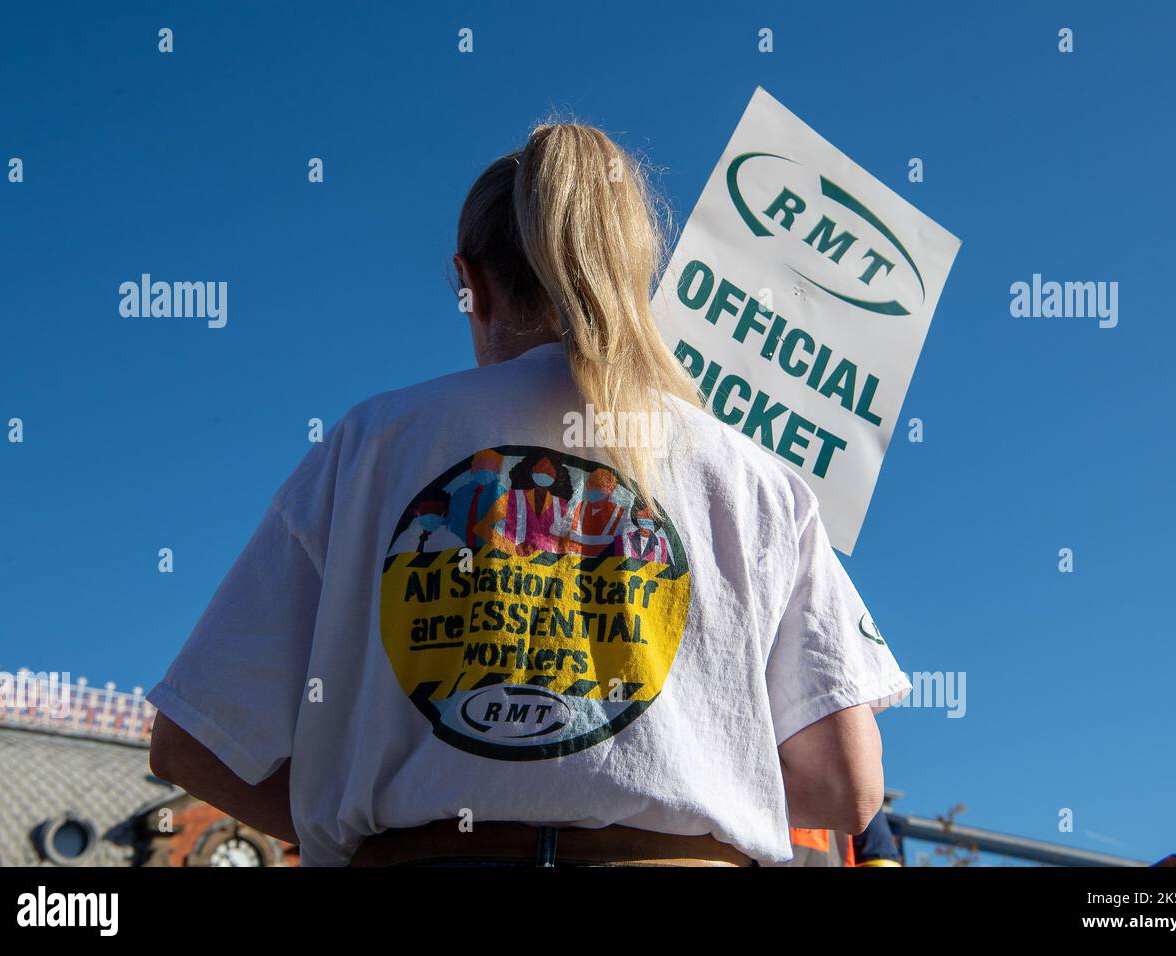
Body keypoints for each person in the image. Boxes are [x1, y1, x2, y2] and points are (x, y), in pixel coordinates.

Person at [146, 120, 912, 868]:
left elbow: (191, 742)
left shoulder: (370, 442)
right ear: (634, 277)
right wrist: (700, 769)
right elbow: (848, 788)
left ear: (471, 286)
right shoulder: (759, 482)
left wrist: (350, 824)